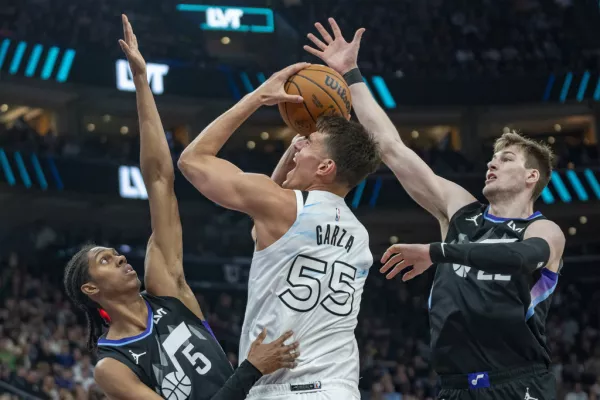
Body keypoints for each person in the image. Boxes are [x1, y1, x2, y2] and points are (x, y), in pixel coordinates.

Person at [304, 18, 566, 400]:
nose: (491, 164)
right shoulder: (460, 211)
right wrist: (351, 74)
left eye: (505, 159)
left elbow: (518, 257)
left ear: (531, 177)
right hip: (453, 388)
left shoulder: (543, 231)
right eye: (492, 157)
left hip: (519, 383)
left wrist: (435, 252)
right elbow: (391, 147)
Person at [62, 15, 299, 400]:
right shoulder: (113, 366)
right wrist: (251, 368)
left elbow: (159, 178)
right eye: (106, 261)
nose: (121, 258)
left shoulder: (167, 287)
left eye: (114, 254)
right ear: (90, 288)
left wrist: (142, 80)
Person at [177, 63, 381, 398]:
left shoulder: (284, 207)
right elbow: (267, 223)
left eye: (306, 143)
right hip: (340, 386)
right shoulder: (359, 235)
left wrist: (256, 98)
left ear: (326, 167)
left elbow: (193, 160)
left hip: (284, 387)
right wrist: (304, 142)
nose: (297, 146)